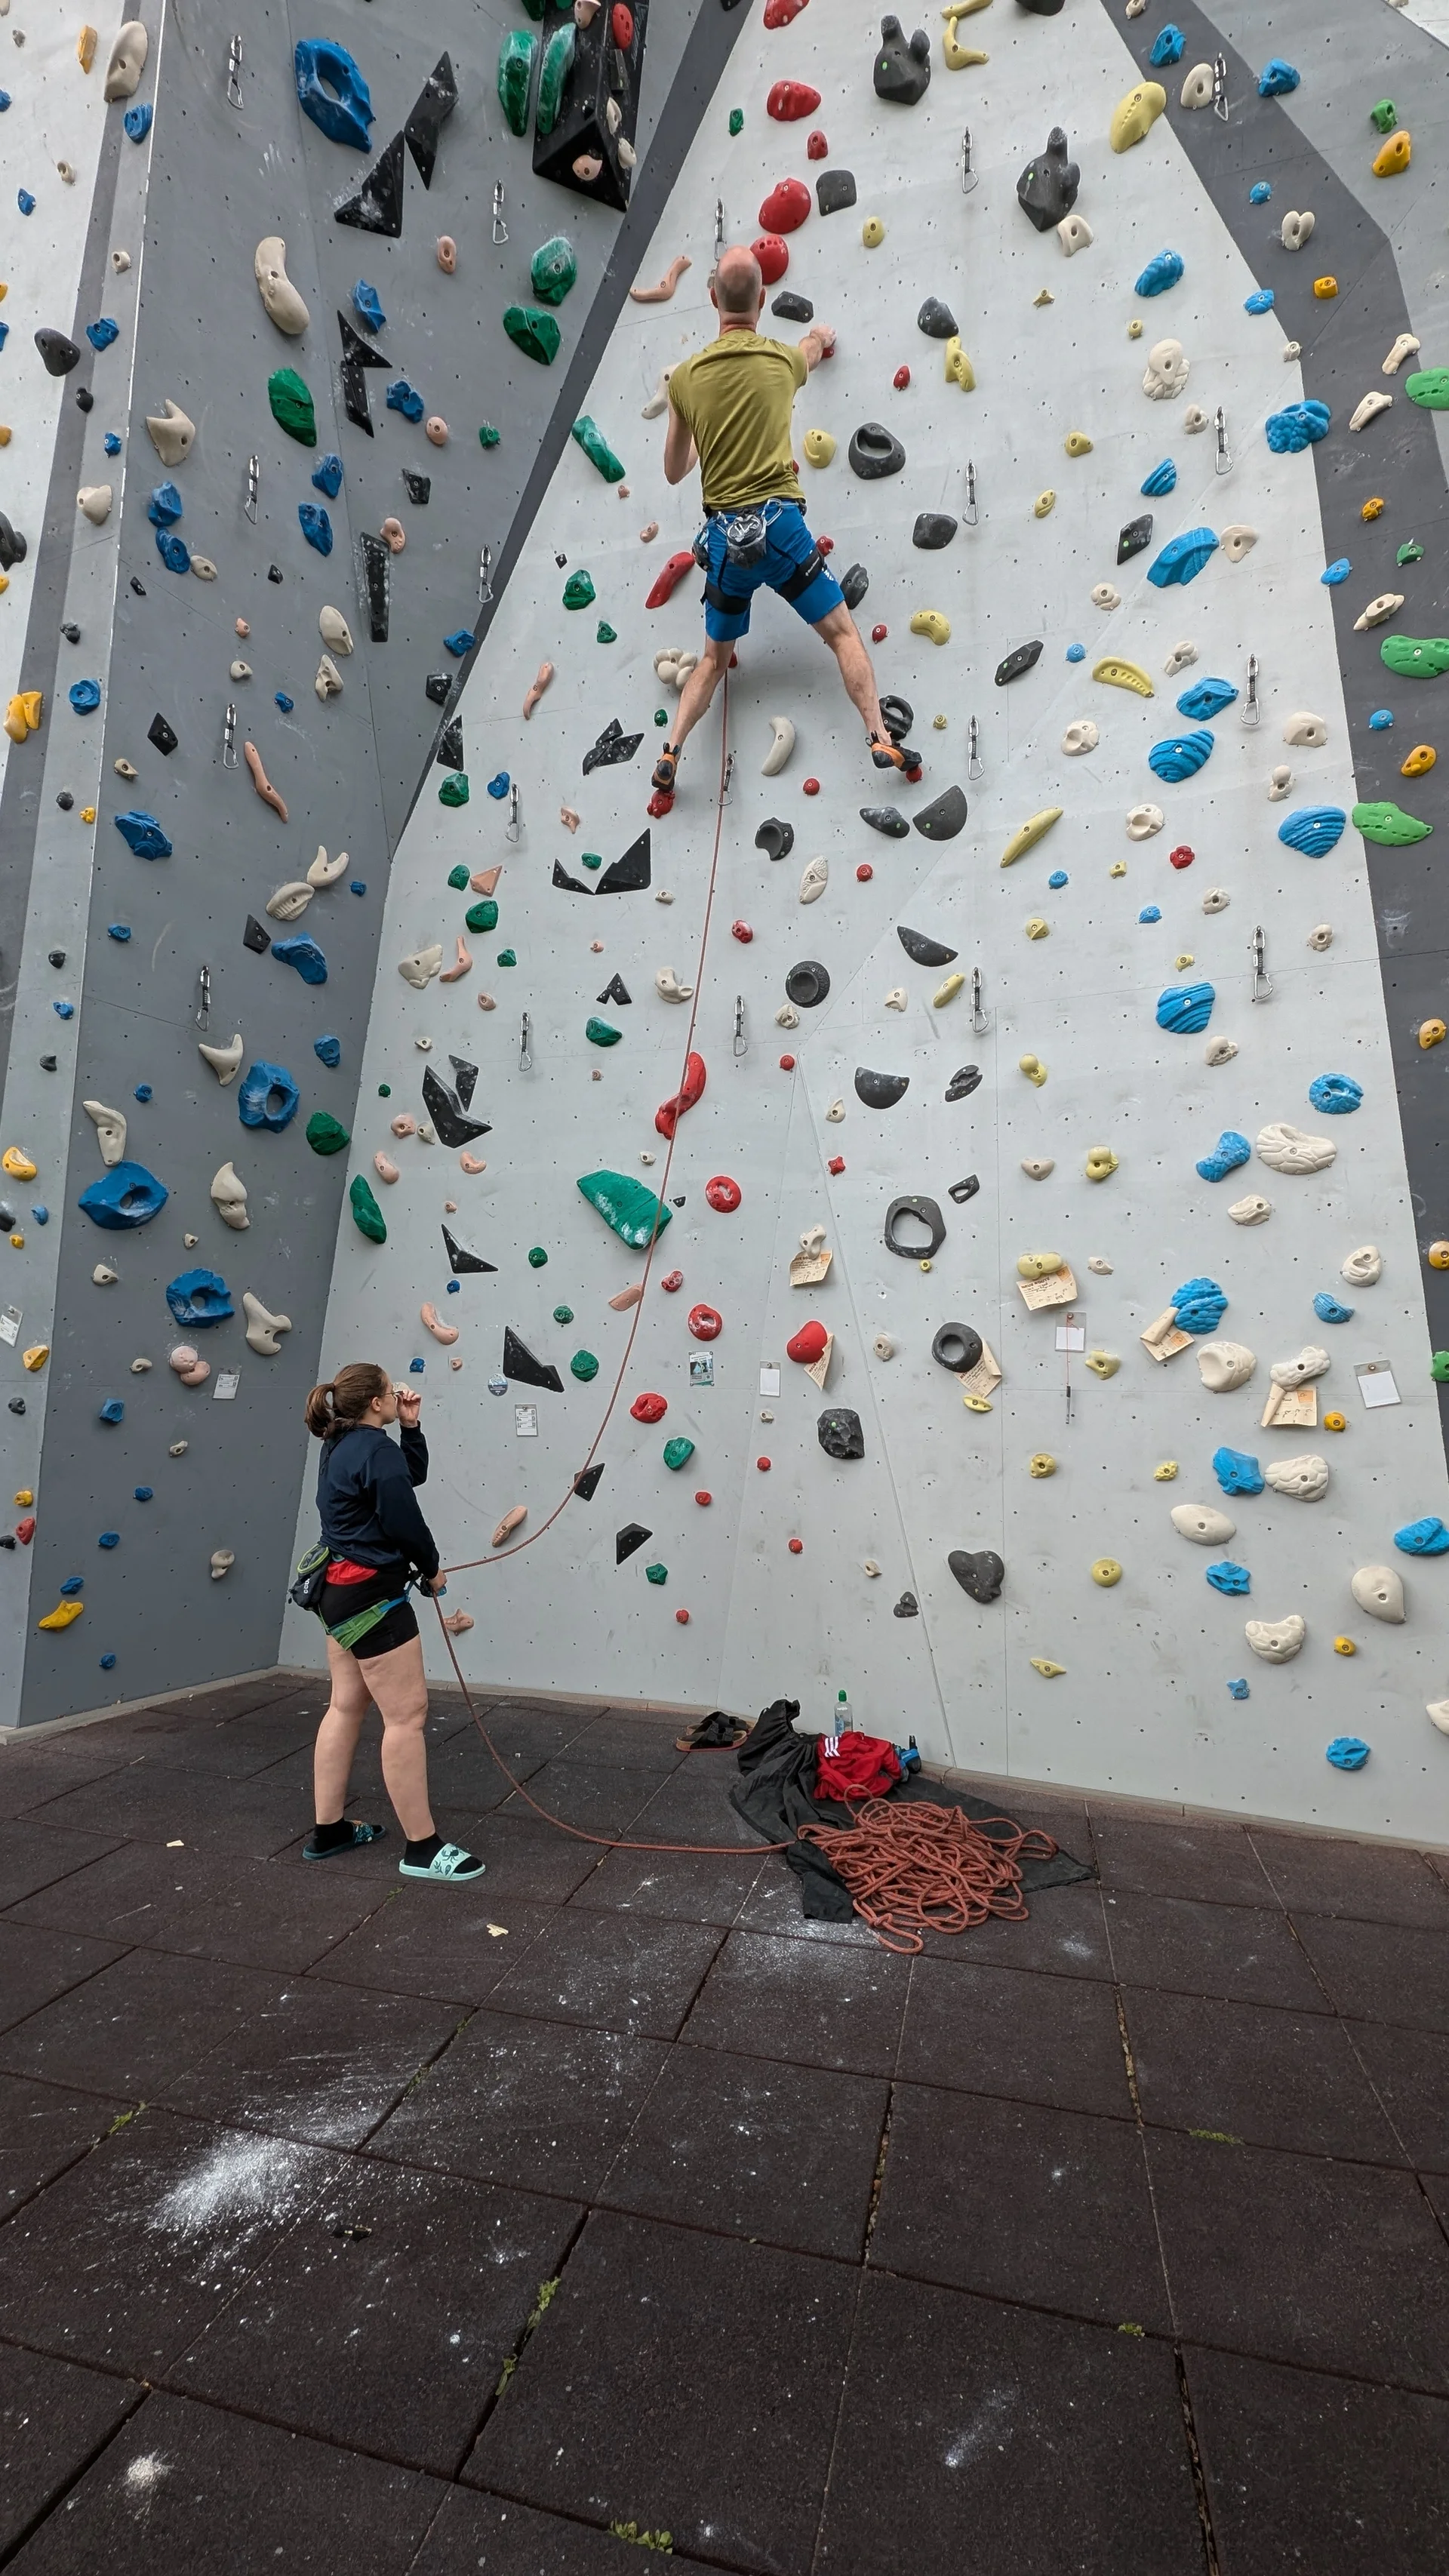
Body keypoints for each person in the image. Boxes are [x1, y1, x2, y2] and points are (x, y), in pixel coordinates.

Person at [651, 242, 918, 802]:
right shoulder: (779, 360)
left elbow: (675, 471)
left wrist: (699, 431)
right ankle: (878, 734)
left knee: (712, 660)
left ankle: (672, 750)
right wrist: (820, 338)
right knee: (843, 634)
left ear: (710, 299)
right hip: (782, 531)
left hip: (725, 542)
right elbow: (810, 351)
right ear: (764, 298)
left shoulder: (685, 381)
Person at [301, 1362, 484, 1882]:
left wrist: (411, 1427)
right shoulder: (373, 1450)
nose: (396, 1397)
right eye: (391, 1394)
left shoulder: (337, 1444)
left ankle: (329, 1829)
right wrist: (431, 1569)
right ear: (377, 1402)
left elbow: (406, 1478)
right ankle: (423, 1847)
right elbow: (404, 1517)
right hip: (374, 1602)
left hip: (337, 1596)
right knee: (406, 1717)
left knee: (345, 1705)